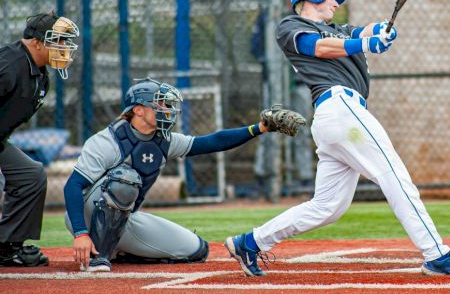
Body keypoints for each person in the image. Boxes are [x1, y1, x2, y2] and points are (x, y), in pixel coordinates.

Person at [225, 0, 450, 277]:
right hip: (340, 108)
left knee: (327, 207)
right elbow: (321, 47)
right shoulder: (291, 26)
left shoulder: (339, 30)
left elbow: (362, 31)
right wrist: (367, 43)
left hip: (338, 119)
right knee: (395, 177)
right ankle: (436, 254)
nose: (335, 2)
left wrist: (383, 30)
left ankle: (250, 242)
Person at [63, 78, 305, 272]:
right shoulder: (107, 140)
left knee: (196, 250)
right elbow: (73, 186)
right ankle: (98, 259)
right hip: (86, 214)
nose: (166, 110)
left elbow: (212, 142)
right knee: (125, 179)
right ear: (137, 110)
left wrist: (259, 128)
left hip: (123, 218)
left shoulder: (164, 140)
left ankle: (119, 251)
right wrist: (81, 233)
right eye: (159, 104)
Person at [0, 12, 79, 267]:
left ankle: (7, 247)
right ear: (36, 42)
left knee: (30, 175)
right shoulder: (8, 66)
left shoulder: (39, 72)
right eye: (58, 41)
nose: (64, 48)